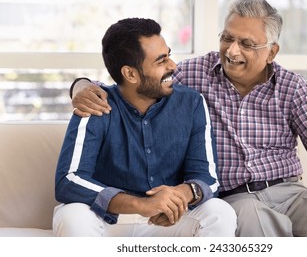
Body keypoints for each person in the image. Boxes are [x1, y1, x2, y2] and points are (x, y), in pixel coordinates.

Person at [69, 0, 307, 237]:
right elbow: (137, 83)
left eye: (246, 43)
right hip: (234, 198)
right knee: (249, 216)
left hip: (290, 193)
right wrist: (82, 86)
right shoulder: (193, 75)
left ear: (272, 52)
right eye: (227, 38)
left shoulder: (291, 87)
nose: (231, 51)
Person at [53, 17, 237, 237]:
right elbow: (68, 180)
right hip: (107, 219)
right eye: (161, 61)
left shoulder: (192, 103)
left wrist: (180, 194)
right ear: (130, 74)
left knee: (220, 213)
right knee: (73, 216)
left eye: (169, 55)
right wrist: (140, 204)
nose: (173, 66)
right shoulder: (94, 103)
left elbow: (208, 179)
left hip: (168, 220)